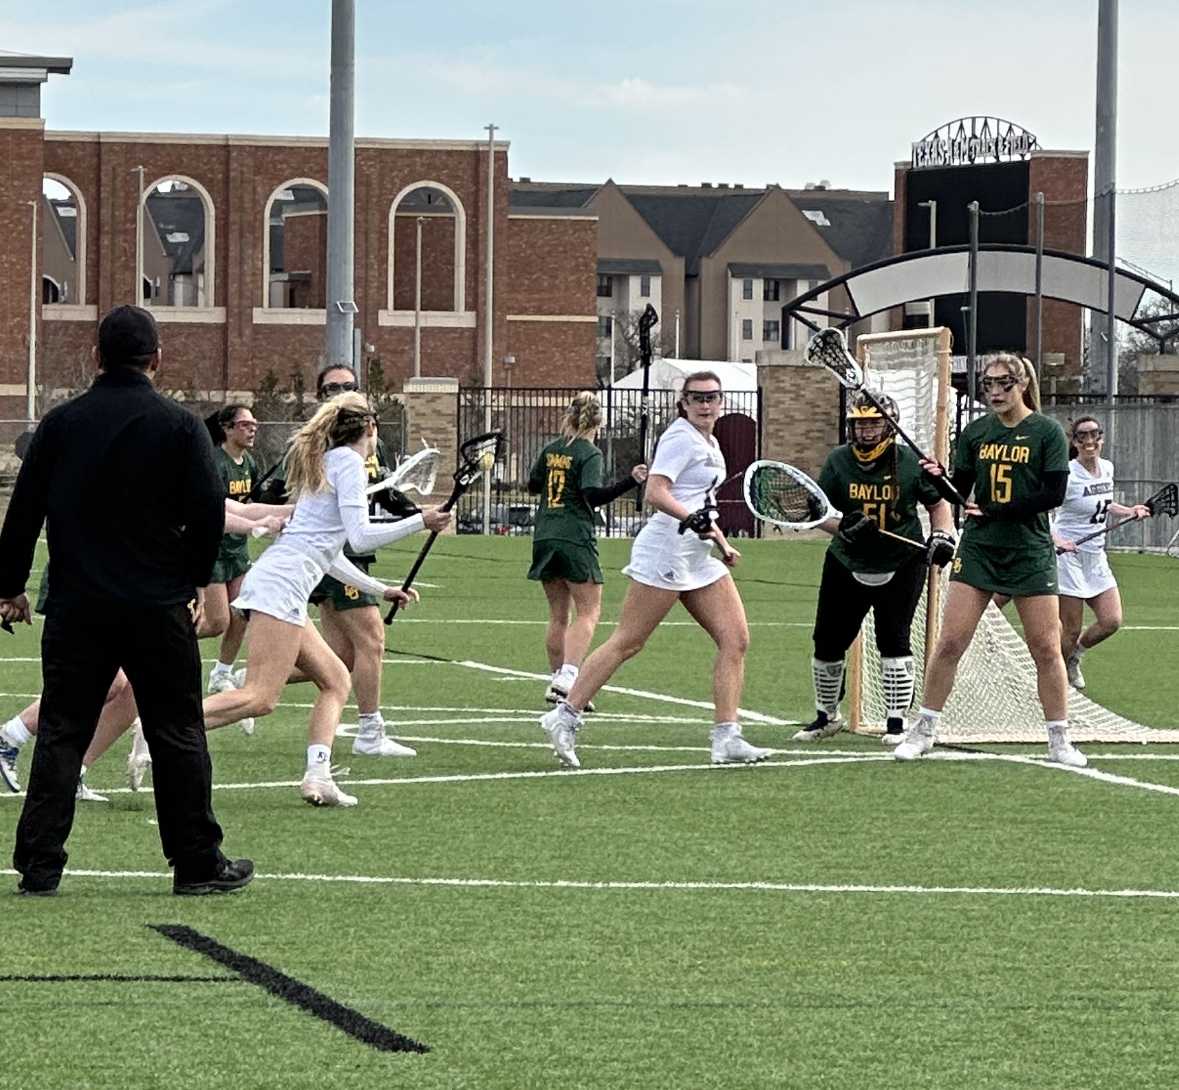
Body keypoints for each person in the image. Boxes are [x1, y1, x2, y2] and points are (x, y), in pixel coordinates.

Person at [0, 304, 252, 896]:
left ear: (96, 357)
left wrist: (9, 586)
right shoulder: (181, 426)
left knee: (62, 730)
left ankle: (39, 863)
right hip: (155, 603)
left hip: (77, 604)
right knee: (177, 730)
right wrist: (193, 579)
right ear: (156, 360)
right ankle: (196, 863)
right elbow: (208, 515)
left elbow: (22, 514)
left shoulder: (58, 427)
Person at [200, 391, 450, 807]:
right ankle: (163, 730)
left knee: (335, 679)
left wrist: (380, 588)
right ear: (368, 429)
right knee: (261, 698)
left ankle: (317, 777)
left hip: (284, 583)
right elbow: (360, 536)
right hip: (282, 586)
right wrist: (419, 520)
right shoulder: (348, 463)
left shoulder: (331, 462)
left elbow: (330, 552)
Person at [539, 372, 770, 769]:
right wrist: (692, 520)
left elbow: (699, 501)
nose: (705, 404)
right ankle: (564, 716)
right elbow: (656, 492)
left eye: (712, 397)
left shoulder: (709, 442)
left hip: (697, 556)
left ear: (721, 401)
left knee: (736, 639)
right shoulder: (680, 438)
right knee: (628, 641)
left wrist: (722, 543)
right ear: (684, 402)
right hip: (667, 550)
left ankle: (726, 736)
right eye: (697, 397)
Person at [898, 354, 1085, 767]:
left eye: (1004, 383)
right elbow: (959, 491)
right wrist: (937, 478)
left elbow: (1052, 494)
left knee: (1045, 647)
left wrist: (1001, 510)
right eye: (989, 385)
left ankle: (1059, 739)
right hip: (980, 549)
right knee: (950, 641)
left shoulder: (1046, 432)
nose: (996, 392)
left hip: (1029, 551)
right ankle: (925, 729)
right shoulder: (977, 432)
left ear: (1021, 384)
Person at [263, 365, 419, 759]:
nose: (339, 391)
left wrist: (414, 512)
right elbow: (347, 527)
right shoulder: (327, 453)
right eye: (332, 388)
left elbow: (380, 494)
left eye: (347, 387)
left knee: (337, 662)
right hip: (325, 556)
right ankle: (370, 730)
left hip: (333, 558)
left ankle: (250, 690)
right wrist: (420, 521)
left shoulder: (354, 452)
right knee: (372, 640)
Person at [794, 391, 956, 745]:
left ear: (890, 426)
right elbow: (820, 513)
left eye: (874, 423)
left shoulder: (910, 461)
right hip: (847, 559)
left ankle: (896, 723)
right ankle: (826, 716)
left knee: (894, 639)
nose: (866, 432)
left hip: (901, 560)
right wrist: (843, 527)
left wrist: (943, 535)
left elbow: (938, 505)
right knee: (827, 639)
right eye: (860, 424)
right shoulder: (838, 461)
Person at [527, 391, 647, 708]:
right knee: (589, 610)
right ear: (599, 422)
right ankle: (568, 678)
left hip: (544, 534)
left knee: (557, 615)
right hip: (574, 535)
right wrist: (630, 481)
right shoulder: (589, 453)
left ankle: (558, 682)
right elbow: (592, 495)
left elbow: (533, 484)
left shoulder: (552, 449)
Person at [1052, 415, 1152, 690]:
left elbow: (1104, 504)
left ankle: (1074, 658)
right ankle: (1053, 684)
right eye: (1082, 436)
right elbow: (1043, 510)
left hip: (1095, 556)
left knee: (1111, 620)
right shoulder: (1068, 475)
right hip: (1068, 558)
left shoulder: (1107, 468)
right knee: (1070, 630)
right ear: (1074, 441)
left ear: (1101, 439)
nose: (1089, 441)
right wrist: (1057, 539)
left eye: (1094, 435)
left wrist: (1130, 510)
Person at [203, 404, 260, 701]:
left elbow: (256, 501)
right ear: (227, 428)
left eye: (254, 424)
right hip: (213, 550)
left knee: (242, 611)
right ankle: (162, 642)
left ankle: (222, 672)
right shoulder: (215, 462)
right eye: (245, 424)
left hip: (237, 551)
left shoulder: (249, 462)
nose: (252, 429)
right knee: (216, 622)